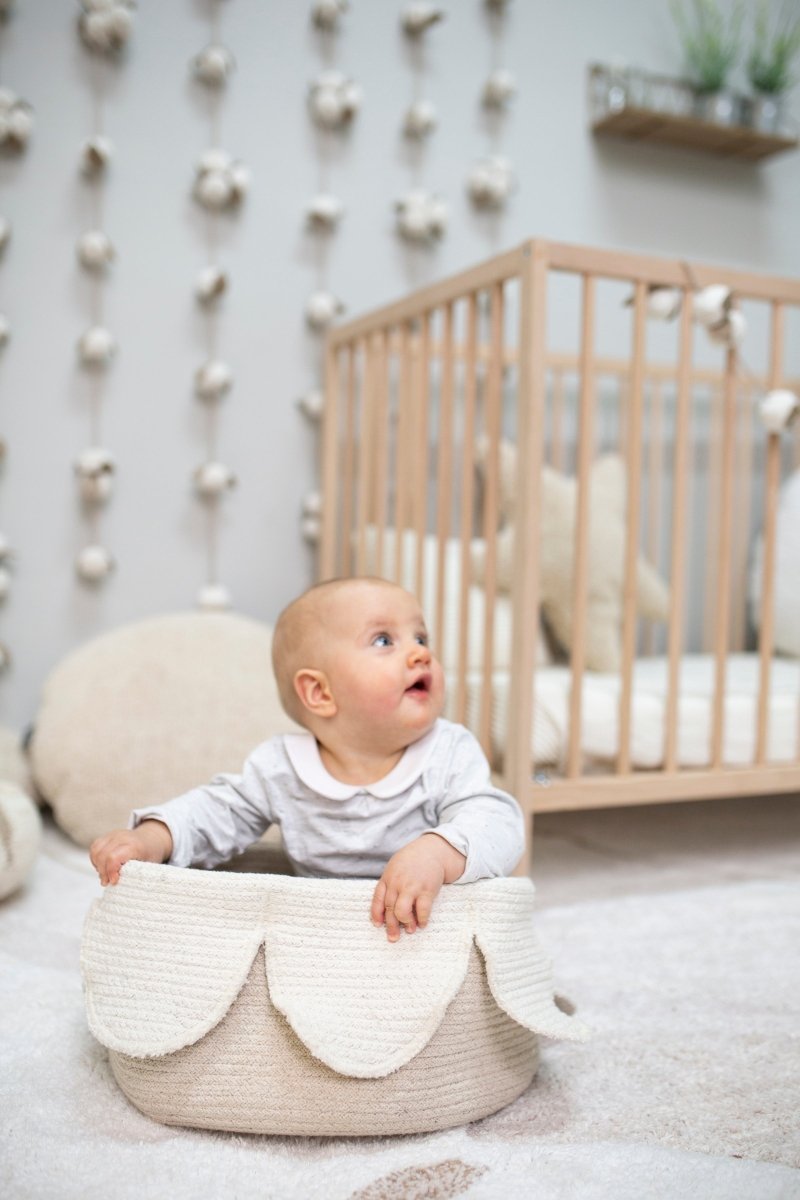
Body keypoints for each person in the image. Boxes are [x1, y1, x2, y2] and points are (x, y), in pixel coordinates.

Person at [89, 577, 525, 941]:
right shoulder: (281, 768)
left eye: (421, 637)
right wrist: (153, 836)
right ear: (320, 693)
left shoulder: (448, 751)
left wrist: (435, 853)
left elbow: (497, 821)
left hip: (422, 931)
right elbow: (217, 811)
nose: (420, 653)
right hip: (322, 937)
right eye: (383, 640)